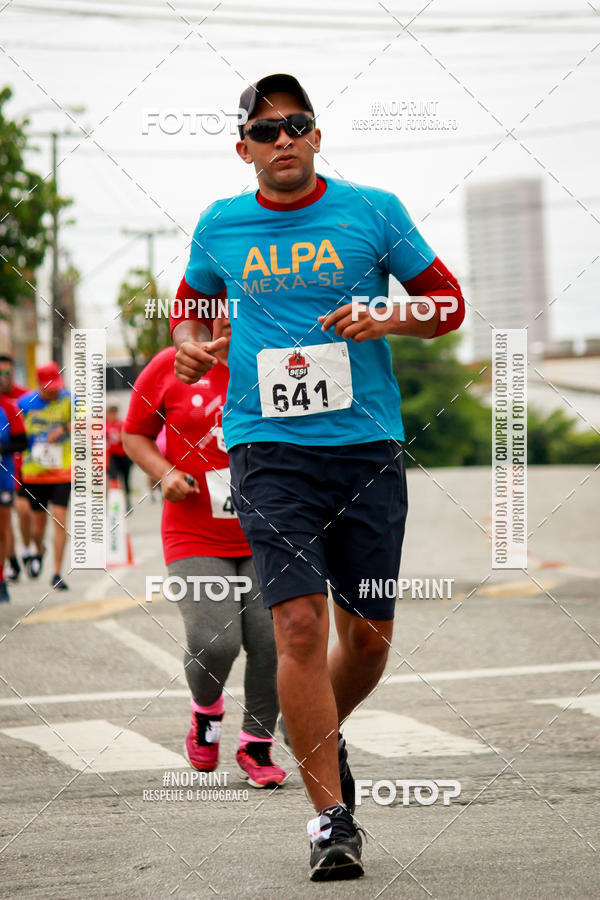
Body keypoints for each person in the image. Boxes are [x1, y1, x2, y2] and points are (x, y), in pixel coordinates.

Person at [171, 73, 465, 881]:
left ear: (317, 136)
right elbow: (191, 310)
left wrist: (388, 314)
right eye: (267, 131)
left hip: (366, 447)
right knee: (298, 626)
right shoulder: (221, 224)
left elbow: (448, 304)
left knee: (366, 640)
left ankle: (319, 736)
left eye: (297, 123)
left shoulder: (375, 211)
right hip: (267, 449)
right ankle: (331, 819)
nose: (285, 139)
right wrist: (191, 346)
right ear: (245, 150)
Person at [122, 315, 286, 788]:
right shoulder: (172, 365)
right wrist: (165, 473)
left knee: (274, 641)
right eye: (222, 309)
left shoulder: (280, 360)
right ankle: (207, 715)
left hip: (270, 530)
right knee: (215, 642)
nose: (230, 320)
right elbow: (134, 434)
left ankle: (256, 743)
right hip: (195, 533)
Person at [18, 361, 72, 590]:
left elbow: (89, 422)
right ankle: (39, 549)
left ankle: (57, 572)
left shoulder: (69, 400)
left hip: (62, 472)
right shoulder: (25, 403)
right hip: (34, 474)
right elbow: (14, 432)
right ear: (40, 385)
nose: (54, 392)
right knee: (37, 529)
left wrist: (64, 429)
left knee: (60, 519)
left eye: (57, 387)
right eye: (50, 389)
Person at [0, 354, 31, 581]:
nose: (3, 378)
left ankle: (28, 550)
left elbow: (24, 439)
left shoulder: (23, 399)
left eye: (7, 373)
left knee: (22, 513)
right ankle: (11, 561)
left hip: (22, 469)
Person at [0, 390, 27, 601]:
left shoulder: (8, 407)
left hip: (3, 478)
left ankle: (1, 579)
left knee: (2, 528)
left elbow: (22, 442)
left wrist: (3, 448)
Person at [107, 405, 133, 510]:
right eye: (111, 412)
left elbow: (128, 437)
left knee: (125, 480)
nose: (113, 415)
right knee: (113, 480)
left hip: (124, 455)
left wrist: (121, 437)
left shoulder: (122, 424)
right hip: (113, 456)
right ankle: (113, 504)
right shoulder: (106, 425)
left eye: (115, 412)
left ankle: (127, 502)